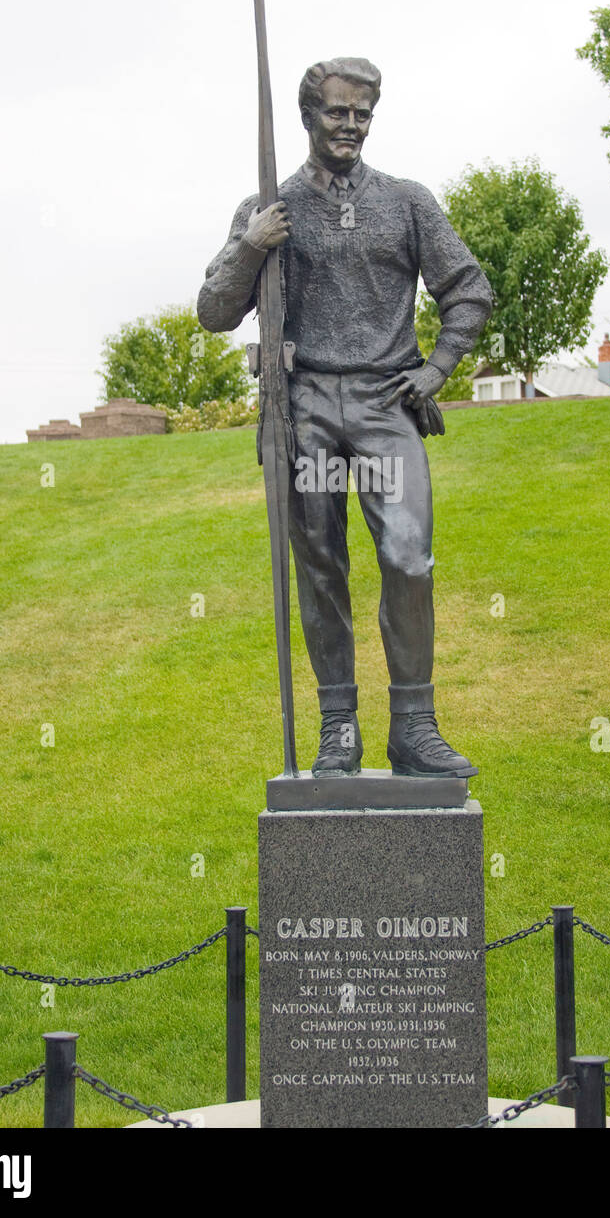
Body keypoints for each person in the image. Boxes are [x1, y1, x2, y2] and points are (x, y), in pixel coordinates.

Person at [198, 58, 492, 778]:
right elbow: (213, 310)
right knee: (322, 567)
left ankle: (414, 727)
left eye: (363, 113)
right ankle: (338, 729)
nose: (352, 125)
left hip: (386, 402)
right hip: (305, 409)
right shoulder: (270, 207)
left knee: (407, 557)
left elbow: (468, 290)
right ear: (309, 116)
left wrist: (434, 370)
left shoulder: (406, 201)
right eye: (338, 112)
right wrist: (251, 246)